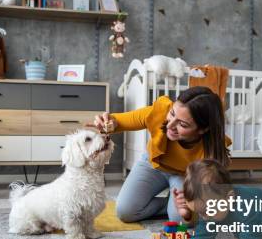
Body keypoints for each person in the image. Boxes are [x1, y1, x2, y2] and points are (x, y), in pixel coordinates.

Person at [91, 86, 230, 223]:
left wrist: (192, 206)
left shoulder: (212, 151)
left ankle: (174, 208)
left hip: (185, 176)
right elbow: (120, 120)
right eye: (172, 113)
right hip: (153, 165)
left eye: (182, 124)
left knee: (181, 218)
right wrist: (108, 122)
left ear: (203, 129)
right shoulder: (160, 111)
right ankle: (168, 205)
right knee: (125, 211)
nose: (170, 125)